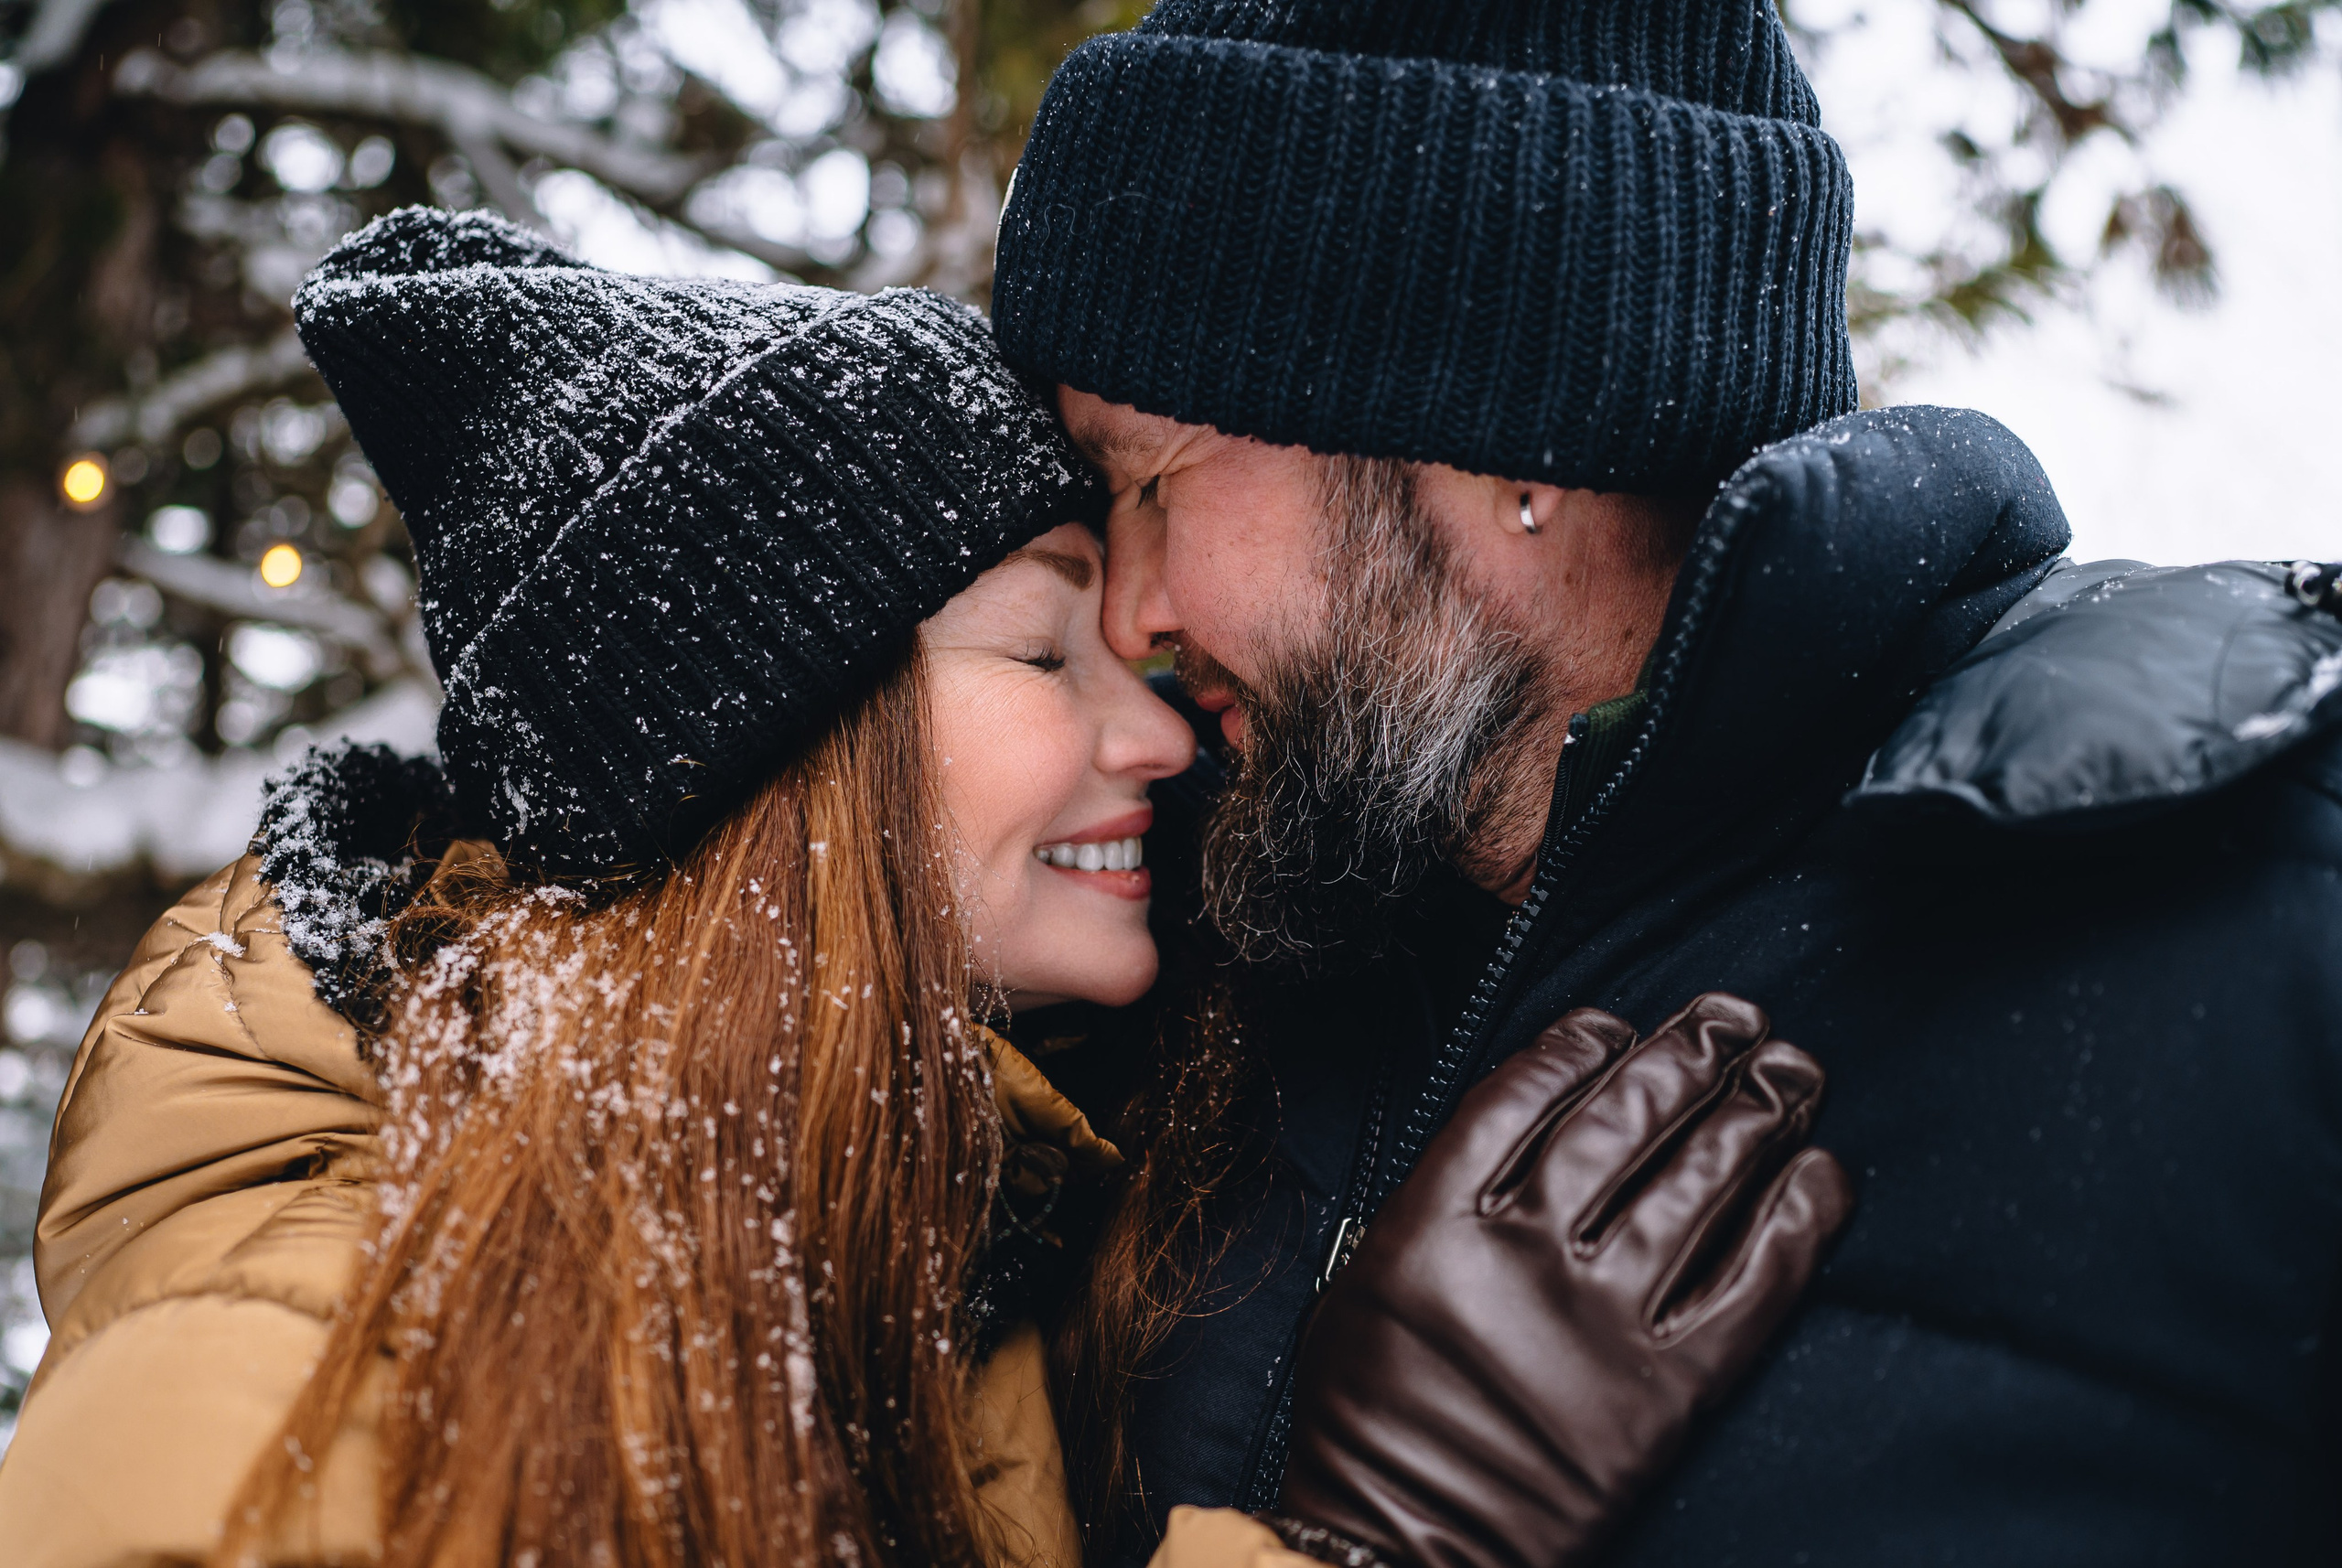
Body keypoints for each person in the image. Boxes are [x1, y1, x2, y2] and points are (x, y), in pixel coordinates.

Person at [0, 208, 1849, 1568]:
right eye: (1042, 651)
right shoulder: (267, 1388)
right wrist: (1375, 1538)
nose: (1158, 727)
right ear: (762, 770)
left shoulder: (934, 1273)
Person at [990, 0, 2342, 1563]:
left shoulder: (2266, 898)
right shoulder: (1166, 933)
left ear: (1503, 429)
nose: (1131, 616)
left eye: (1154, 481)